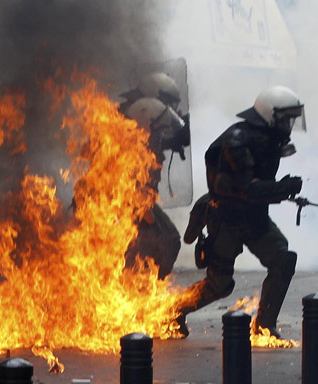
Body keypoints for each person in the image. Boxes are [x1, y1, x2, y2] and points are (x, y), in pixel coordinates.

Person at [177, 85, 305, 338]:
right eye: (285, 118)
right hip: (226, 221)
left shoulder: (268, 139)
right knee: (219, 285)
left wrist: (282, 190)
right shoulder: (237, 141)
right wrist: (283, 188)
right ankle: (170, 312)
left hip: (254, 218)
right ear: (270, 115)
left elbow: (257, 188)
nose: (289, 124)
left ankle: (264, 327)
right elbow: (244, 188)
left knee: (283, 259)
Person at [120, 72, 190, 279]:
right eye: (167, 103)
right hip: (127, 199)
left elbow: (159, 143)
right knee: (163, 241)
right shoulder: (135, 120)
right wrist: (142, 207)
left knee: (156, 245)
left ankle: (142, 295)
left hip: (140, 199)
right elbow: (122, 175)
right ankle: (138, 295)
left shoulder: (147, 121)